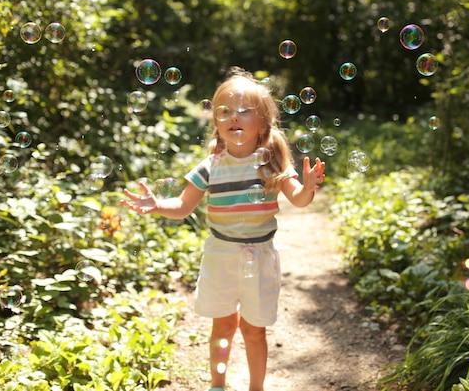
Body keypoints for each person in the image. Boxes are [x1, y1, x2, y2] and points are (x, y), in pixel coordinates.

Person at [121, 67, 326, 391]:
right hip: (221, 255)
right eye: (226, 111)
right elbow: (184, 205)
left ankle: (255, 387)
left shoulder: (272, 164)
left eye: (245, 111)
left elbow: (299, 200)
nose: (234, 116)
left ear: (263, 125)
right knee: (224, 323)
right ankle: (218, 383)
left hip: (259, 257)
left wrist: (309, 186)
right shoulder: (211, 166)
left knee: (254, 329)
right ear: (217, 122)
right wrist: (158, 205)